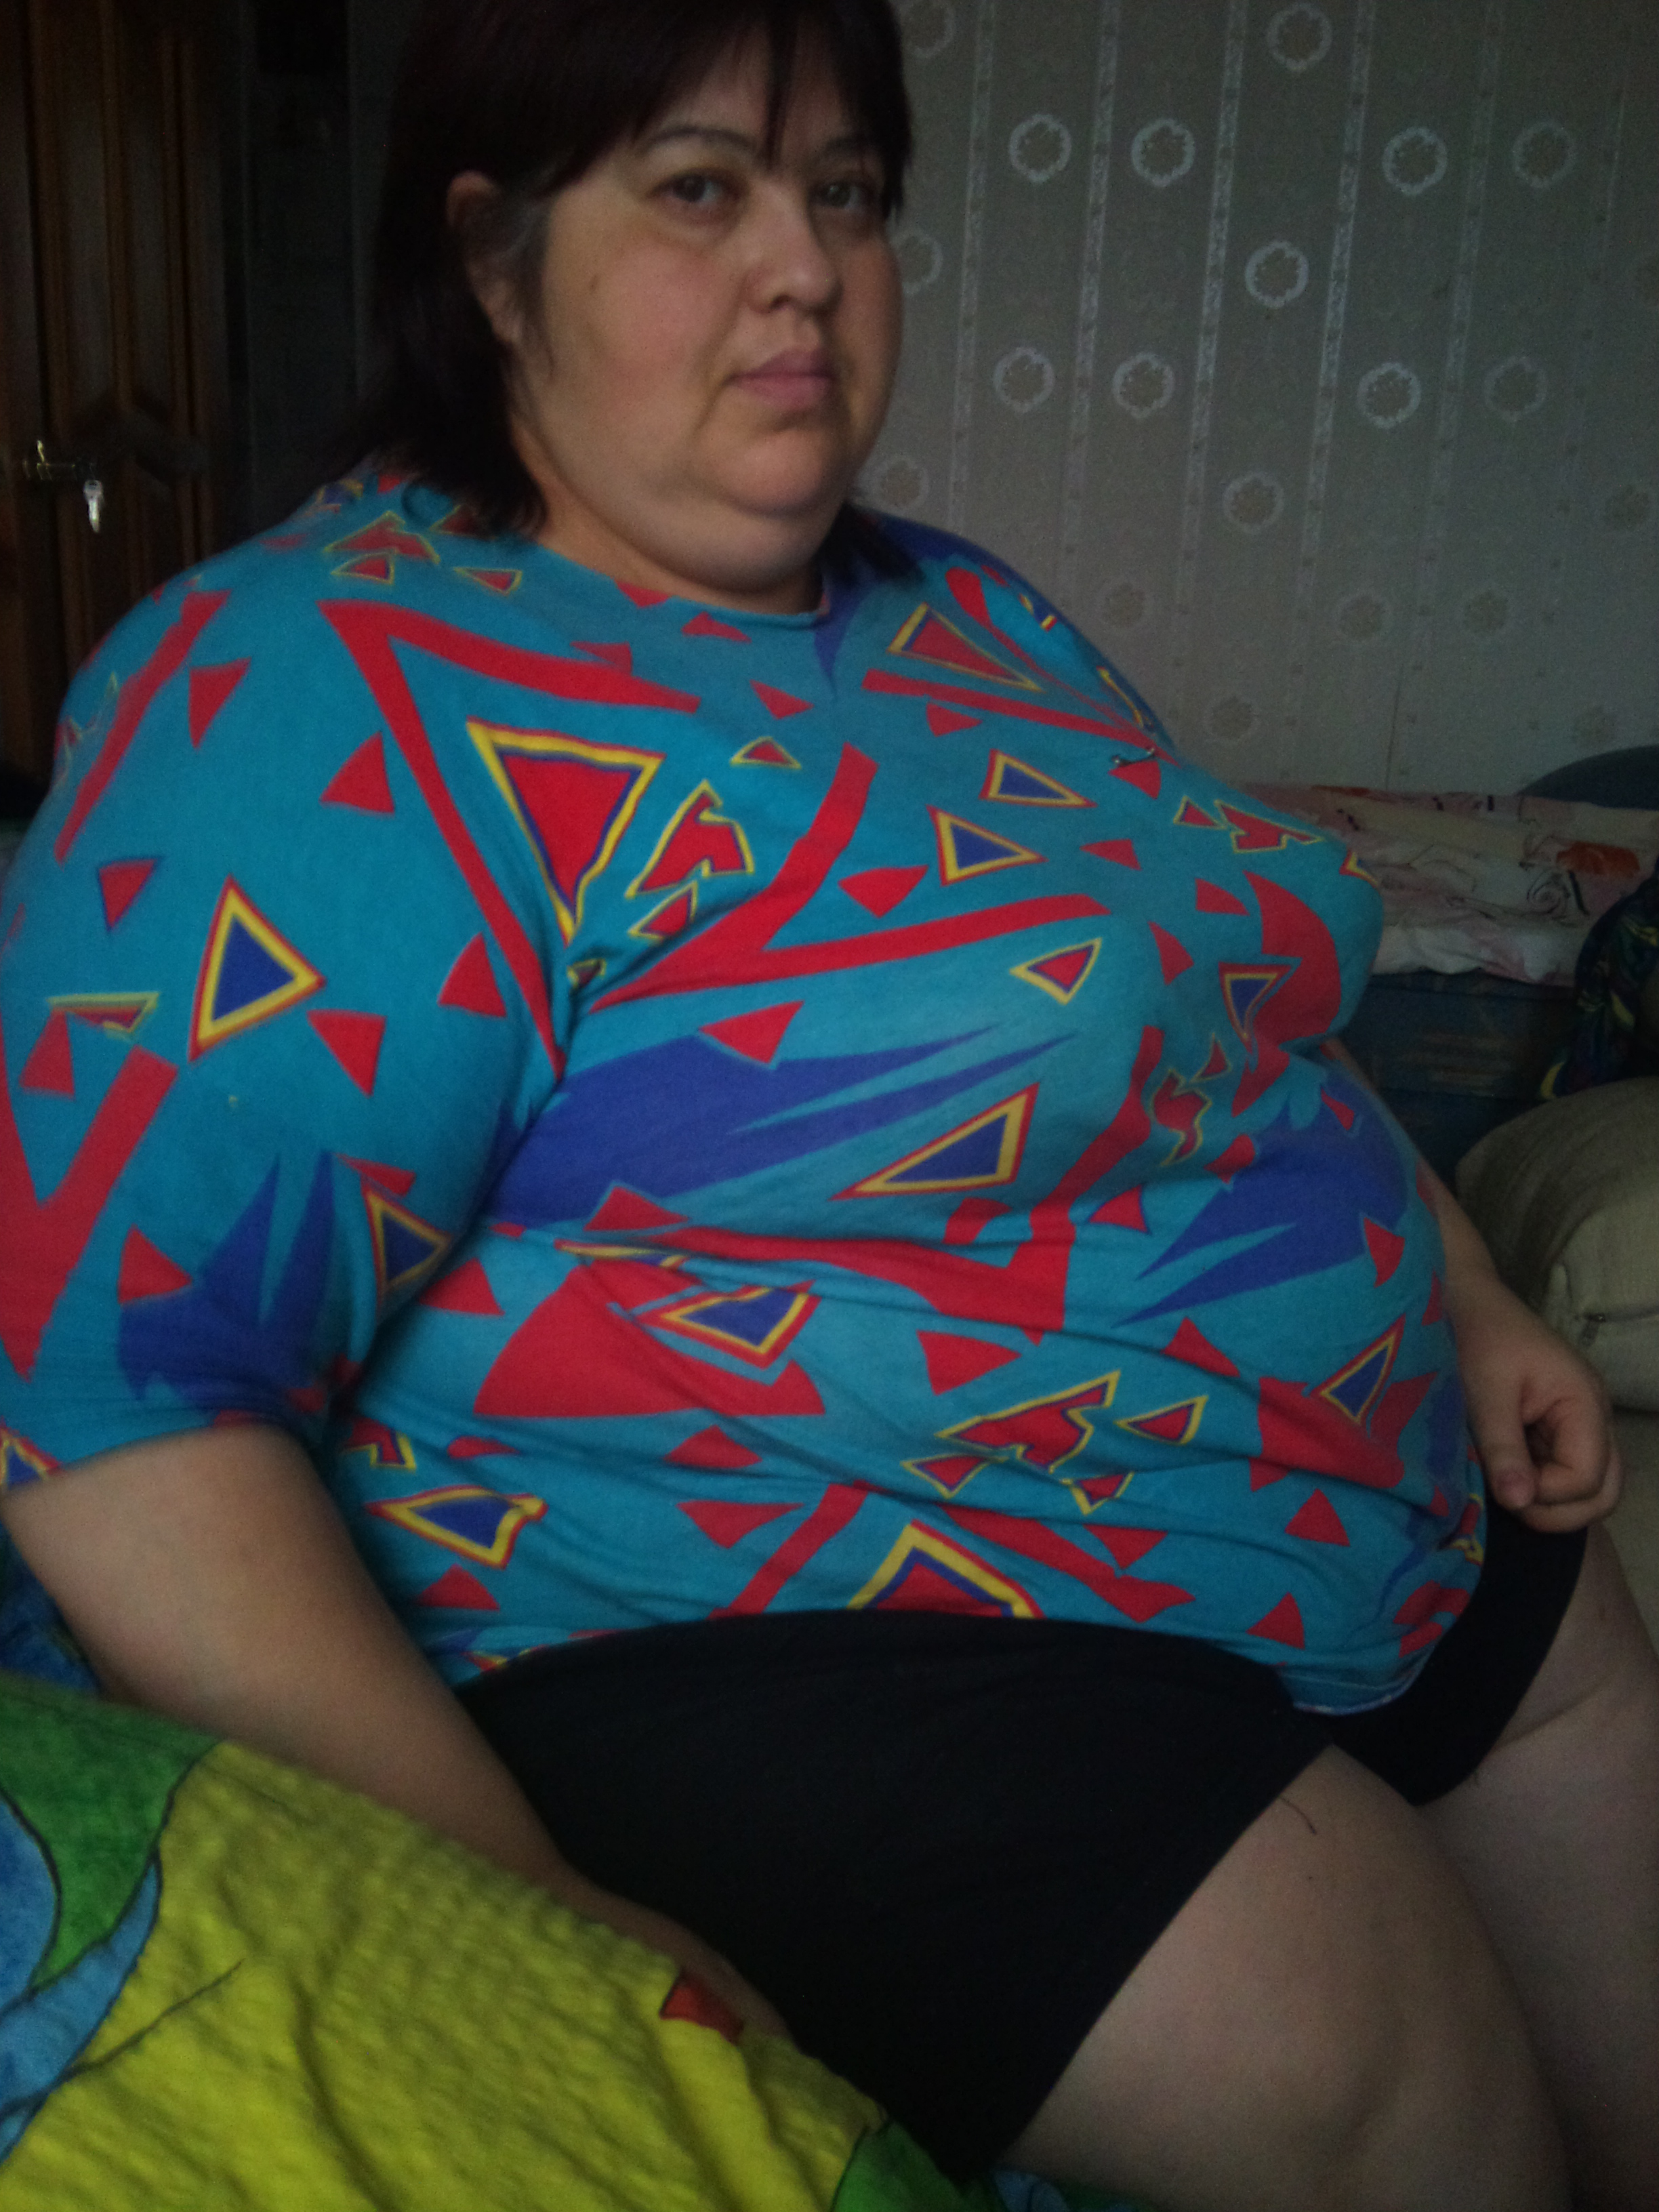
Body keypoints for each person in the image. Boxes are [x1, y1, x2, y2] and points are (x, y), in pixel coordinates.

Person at [1, 2, 1655, 2205]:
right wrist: (533, 1910)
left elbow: (1227, 1002)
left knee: (1598, 1739)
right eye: (702, 188)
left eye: (847, 195)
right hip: (802, 1616)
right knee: (1366, 2043)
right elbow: (112, 1399)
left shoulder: (964, 608)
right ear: (494, 265)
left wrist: (1461, 1293)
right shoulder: (308, 689)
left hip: (1325, 1507)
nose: (804, 266)